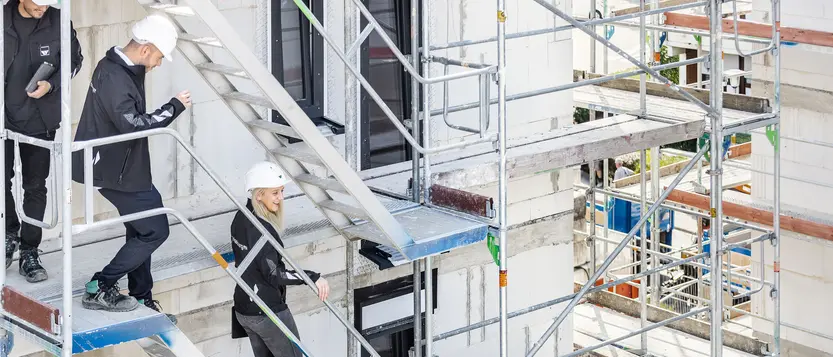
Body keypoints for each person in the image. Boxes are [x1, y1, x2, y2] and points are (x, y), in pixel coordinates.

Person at [70, 14, 191, 314]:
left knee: (141, 229)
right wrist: (174, 107)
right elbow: (134, 125)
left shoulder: (123, 67)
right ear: (146, 48)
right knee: (155, 229)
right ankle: (100, 286)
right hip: (113, 171)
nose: (159, 64)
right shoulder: (115, 76)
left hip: (125, 167)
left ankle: (140, 294)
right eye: (160, 57)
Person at [3, 0, 83, 283]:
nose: (42, 9)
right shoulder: (2, 17)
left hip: (39, 121)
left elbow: (75, 61)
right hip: (3, 119)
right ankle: (9, 232)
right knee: (1, 181)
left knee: (35, 187)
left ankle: (29, 250)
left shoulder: (59, 20)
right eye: (38, 4)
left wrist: (52, 84)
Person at [230, 161, 331, 357]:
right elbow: (274, 274)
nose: (281, 198)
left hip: (245, 308)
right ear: (259, 194)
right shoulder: (262, 231)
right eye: (275, 193)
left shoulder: (240, 218)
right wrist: (312, 277)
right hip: (266, 310)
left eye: (281, 191)